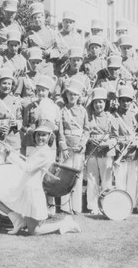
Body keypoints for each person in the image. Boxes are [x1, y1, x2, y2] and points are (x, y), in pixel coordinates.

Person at [0, 124, 81, 235]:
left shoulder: (45, 153)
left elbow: (28, 168)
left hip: (32, 193)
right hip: (22, 189)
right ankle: (18, 221)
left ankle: (65, 223)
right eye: (38, 135)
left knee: (34, 231)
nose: (40, 138)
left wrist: (11, 155)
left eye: (44, 135)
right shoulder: (37, 150)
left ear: (49, 137)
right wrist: (12, 154)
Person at [58, 79, 89, 214]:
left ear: (79, 97)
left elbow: (86, 130)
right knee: (65, 177)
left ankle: (76, 207)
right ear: (66, 95)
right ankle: (65, 207)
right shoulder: (62, 110)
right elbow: (59, 130)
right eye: (70, 94)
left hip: (78, 148)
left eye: (75, 95)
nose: (72, 97)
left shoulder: (83, 111)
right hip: (66, 149)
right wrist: (64, 147)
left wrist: (82, 145)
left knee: (78, 177)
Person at [86, 87, 118, 215]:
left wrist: (108, 143)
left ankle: (106, 204)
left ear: (105, 103)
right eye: (95, 102)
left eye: (101, 102)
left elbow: (116, 137)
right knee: (92, 179)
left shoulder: (110, 117)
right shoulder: (88, 117)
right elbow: (84, 132)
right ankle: (93, 206)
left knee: (106, 179)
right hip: (92, 150)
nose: (98, 105)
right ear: (92, 104)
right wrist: (88, 139)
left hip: (106, 151)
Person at [113, 86, 138, 207]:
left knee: (132, 180)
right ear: (118, 101)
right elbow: (112, 135)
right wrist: (122, 143)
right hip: (120, 152)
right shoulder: (113, 116)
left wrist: (137, 142)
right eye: (123, 100)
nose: (125, 103)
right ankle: (121, 204)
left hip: (133, 153)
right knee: (120, 180)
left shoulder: (135, 116)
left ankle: (132, 205)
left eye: (128, 100)